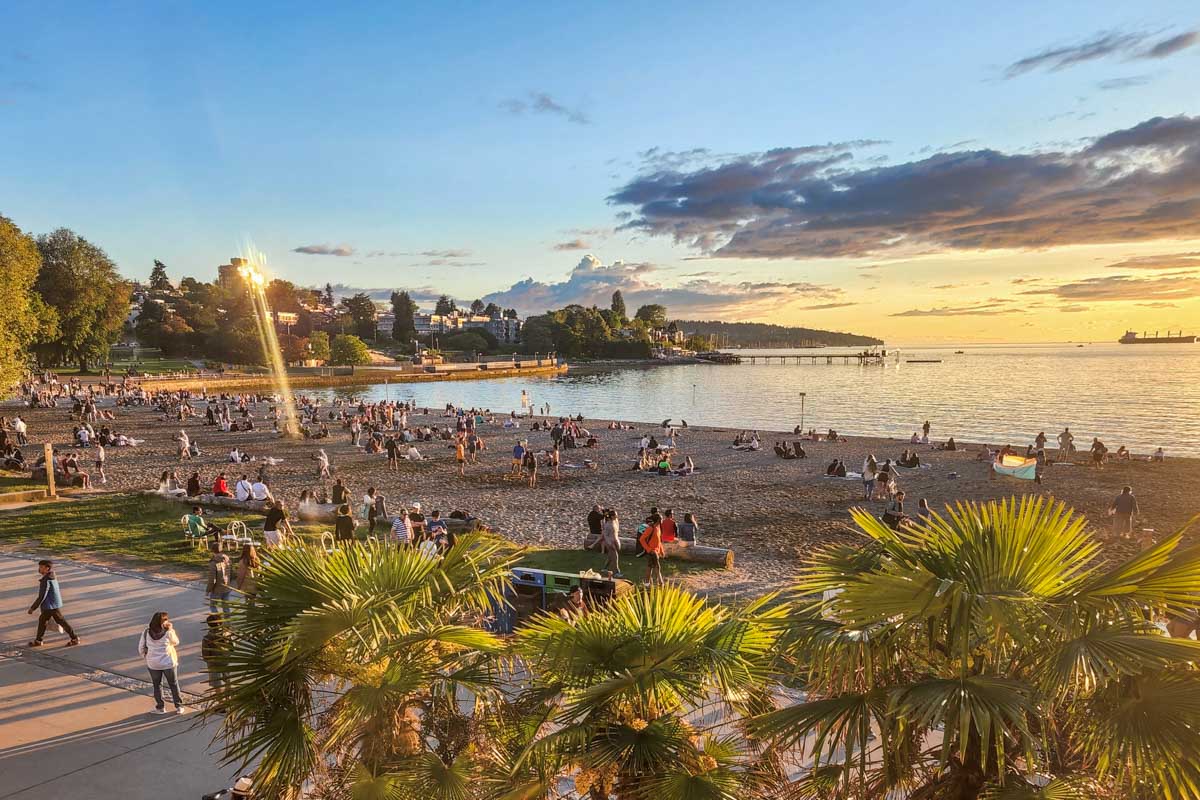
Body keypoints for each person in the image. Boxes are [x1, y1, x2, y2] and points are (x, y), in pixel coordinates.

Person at [138, 611, 187, 714]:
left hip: (153, 663)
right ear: (163, 622)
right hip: (168, 662)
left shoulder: (146, 632)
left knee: (157, 685)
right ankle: (179, 706)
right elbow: (176, 642)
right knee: (173, 684)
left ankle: (160, 707)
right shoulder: (168, 632)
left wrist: (146, 657)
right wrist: (171, 629)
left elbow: (141, 647)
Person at [26, 560, 79, 647]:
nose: (39, 569)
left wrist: (33, 608)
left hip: (50, 605)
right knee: (46, 621)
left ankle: (75, 638)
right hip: (53, 604)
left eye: (41, 567)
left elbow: (42, 596)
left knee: (60, 621)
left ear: (47, 568)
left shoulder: (46, 580)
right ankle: (38, 640)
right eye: (39, 567)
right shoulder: (51, 576)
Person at [201, 613, 232, 694]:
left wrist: (208, 660)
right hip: (225, 660)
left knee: (216, 684)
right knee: (227, 679)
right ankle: (228, 696)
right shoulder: (227, 633)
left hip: (213, 663)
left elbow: (205, 654)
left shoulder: (207, 638)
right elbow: (233, 646)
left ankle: (220, 701)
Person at [638, 513, 665, 586]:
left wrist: (661, 551)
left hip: (656, 551)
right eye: (661, 519)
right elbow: (641, 539)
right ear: (658, 520)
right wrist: (649, 549)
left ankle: (647, 583)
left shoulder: (658, 528)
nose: (662, 520)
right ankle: (660, 582)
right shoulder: (650, 528)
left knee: (650, 567)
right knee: (657, 566)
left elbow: (659, 541)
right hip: (652, 552)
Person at [206, 544, 233, 615]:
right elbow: (231, 574)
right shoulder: (228, 560)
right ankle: (227, 623)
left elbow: (212, 579)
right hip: (227, 587)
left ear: (213, 551)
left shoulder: (214, 562)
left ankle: (217, 622)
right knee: (226, 607)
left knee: (213, 606)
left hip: (217, 589)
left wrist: (208, 590)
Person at [599, 509, 621, 576]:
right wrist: (609, 543)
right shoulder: (607, 525)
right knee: (615, 556)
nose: (617, 516)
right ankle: (617, 572)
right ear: (612, 516)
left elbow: (616, 532)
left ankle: (604, 568)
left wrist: (617, 542)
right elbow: (605, 535)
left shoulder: (615, 522)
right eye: (615, 515)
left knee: (610, 556)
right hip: (610, 542)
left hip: (615, 541)